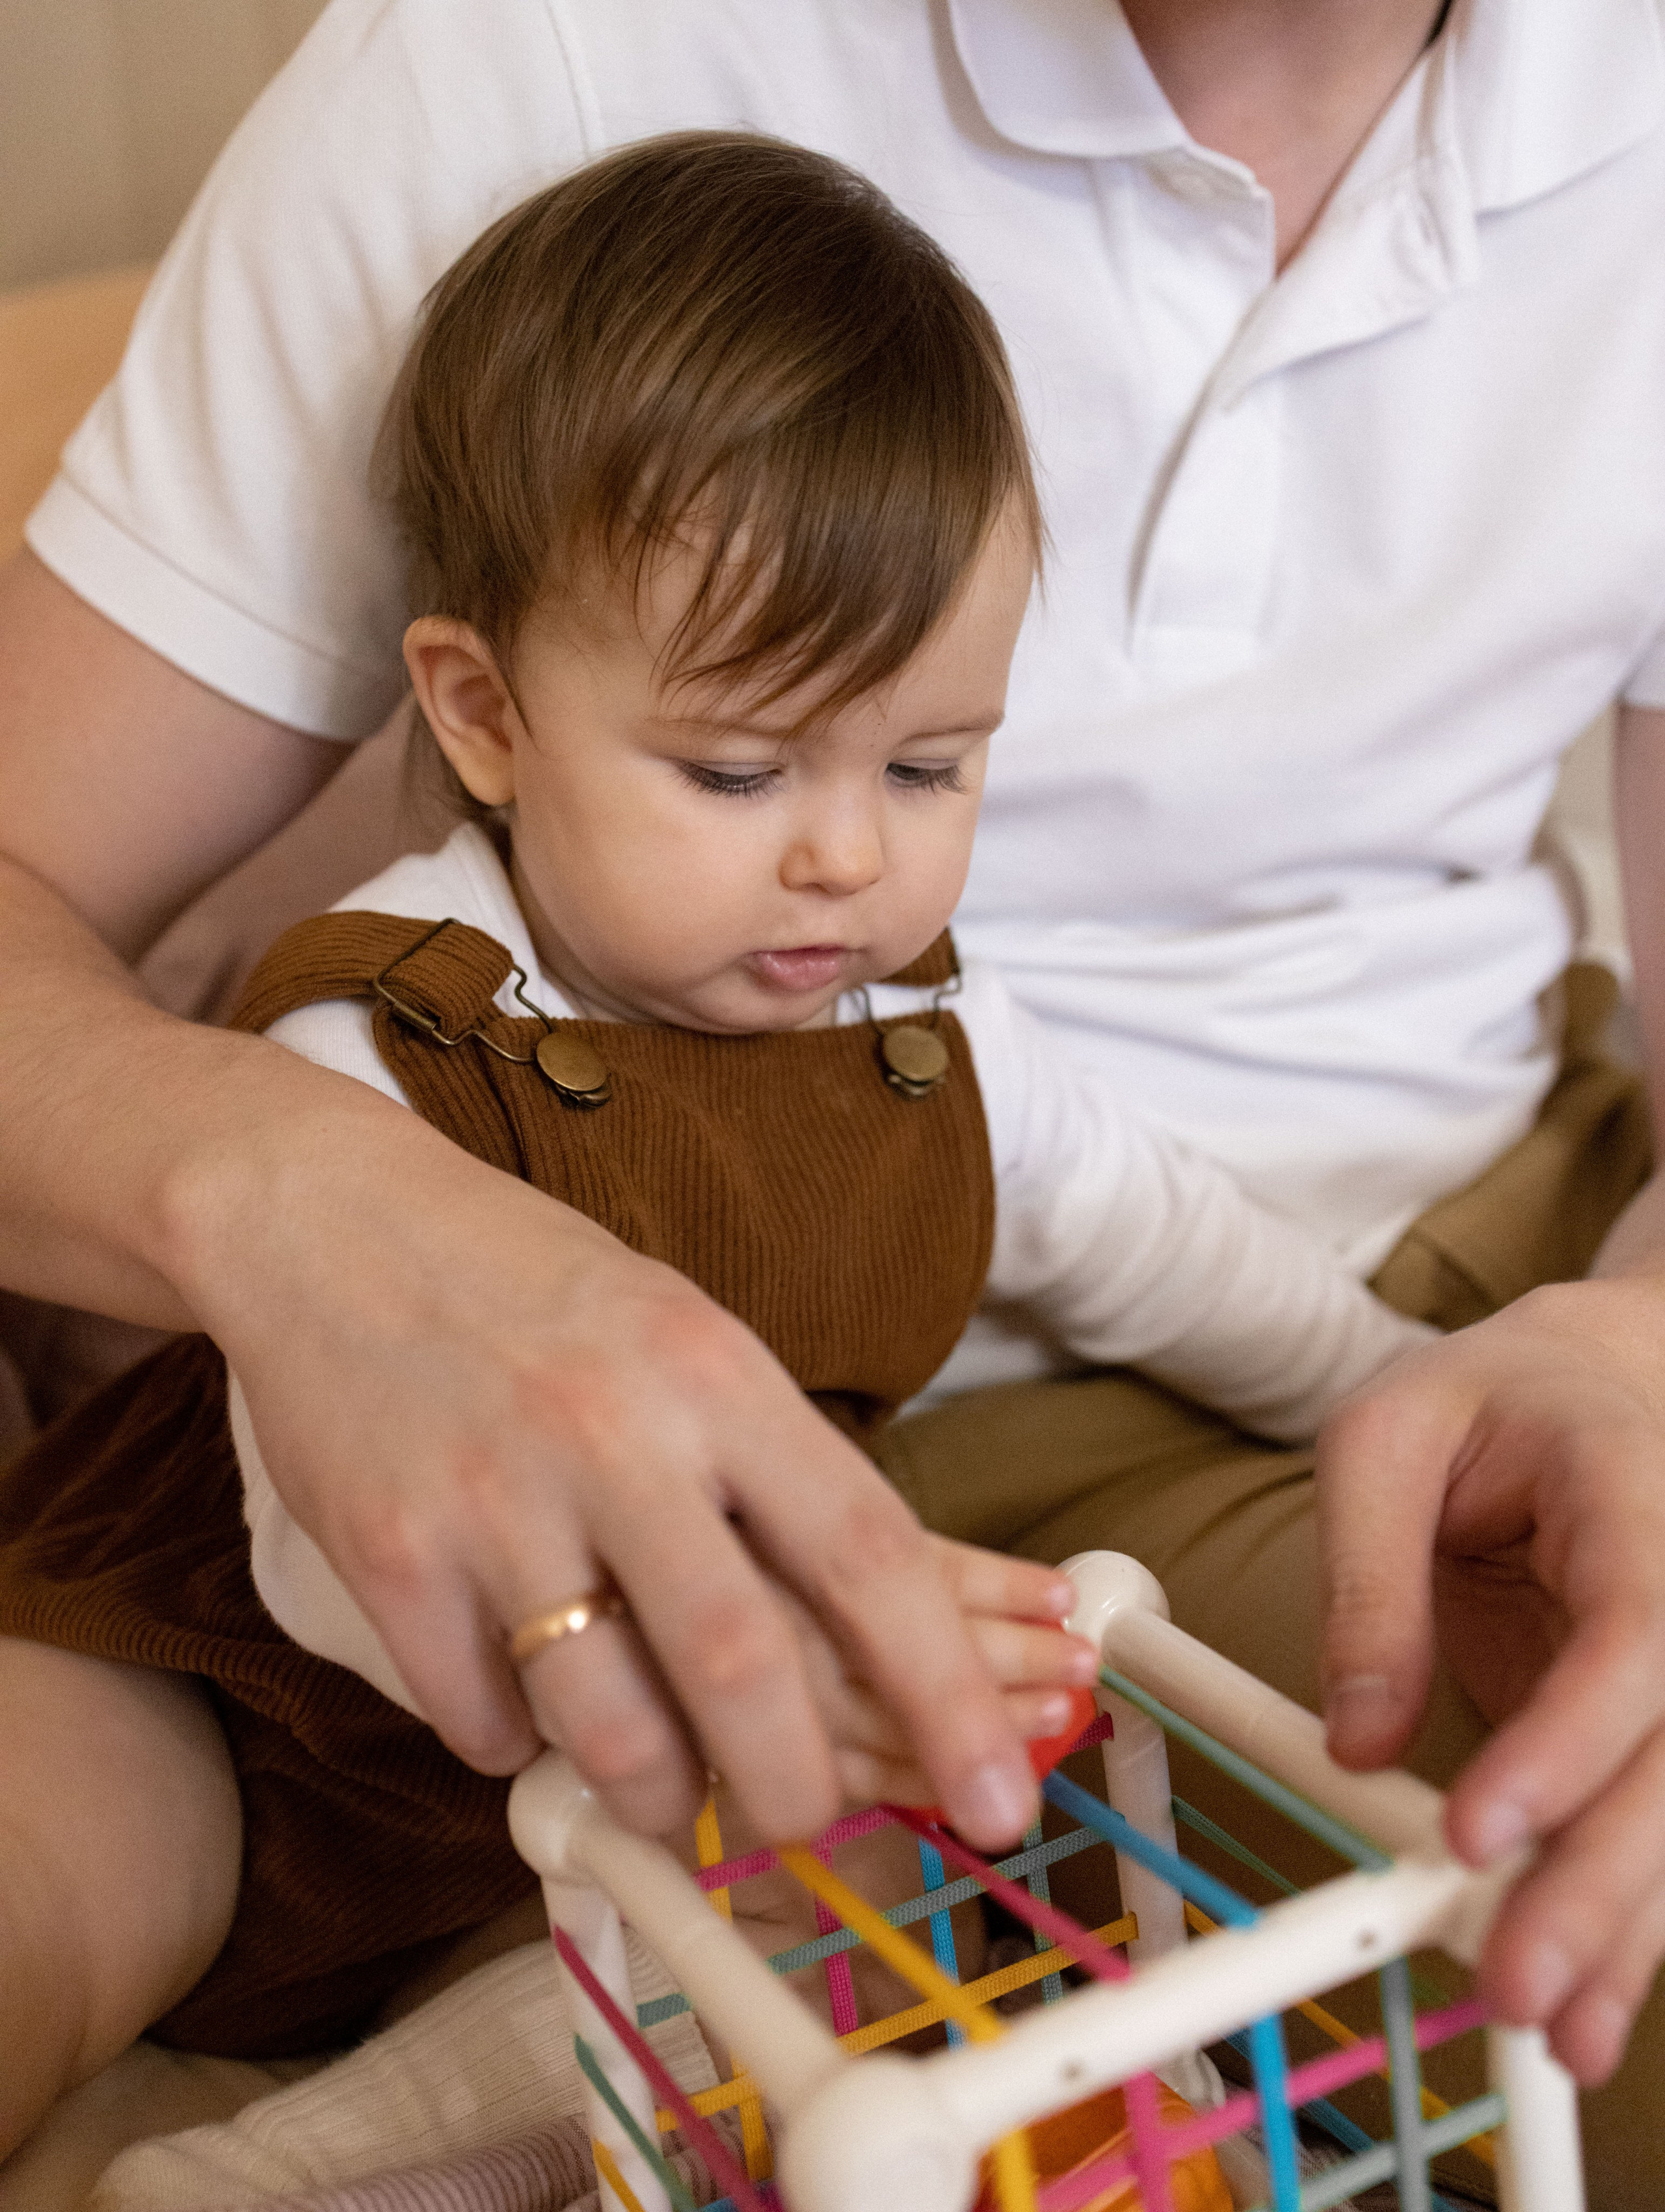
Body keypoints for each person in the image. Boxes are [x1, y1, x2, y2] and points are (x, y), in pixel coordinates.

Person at [1, 0, 1663, 2193]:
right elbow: (334, 1538)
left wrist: (1446, 1381)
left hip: (693, 1724)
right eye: (737, 773)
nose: (845, 861)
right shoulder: (400, 1033)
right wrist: (312, 1231)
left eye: (933, 770)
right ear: (481, 711)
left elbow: (1148, 1232)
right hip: (264, 1645)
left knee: (715, 2009)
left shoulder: (933, 1041)